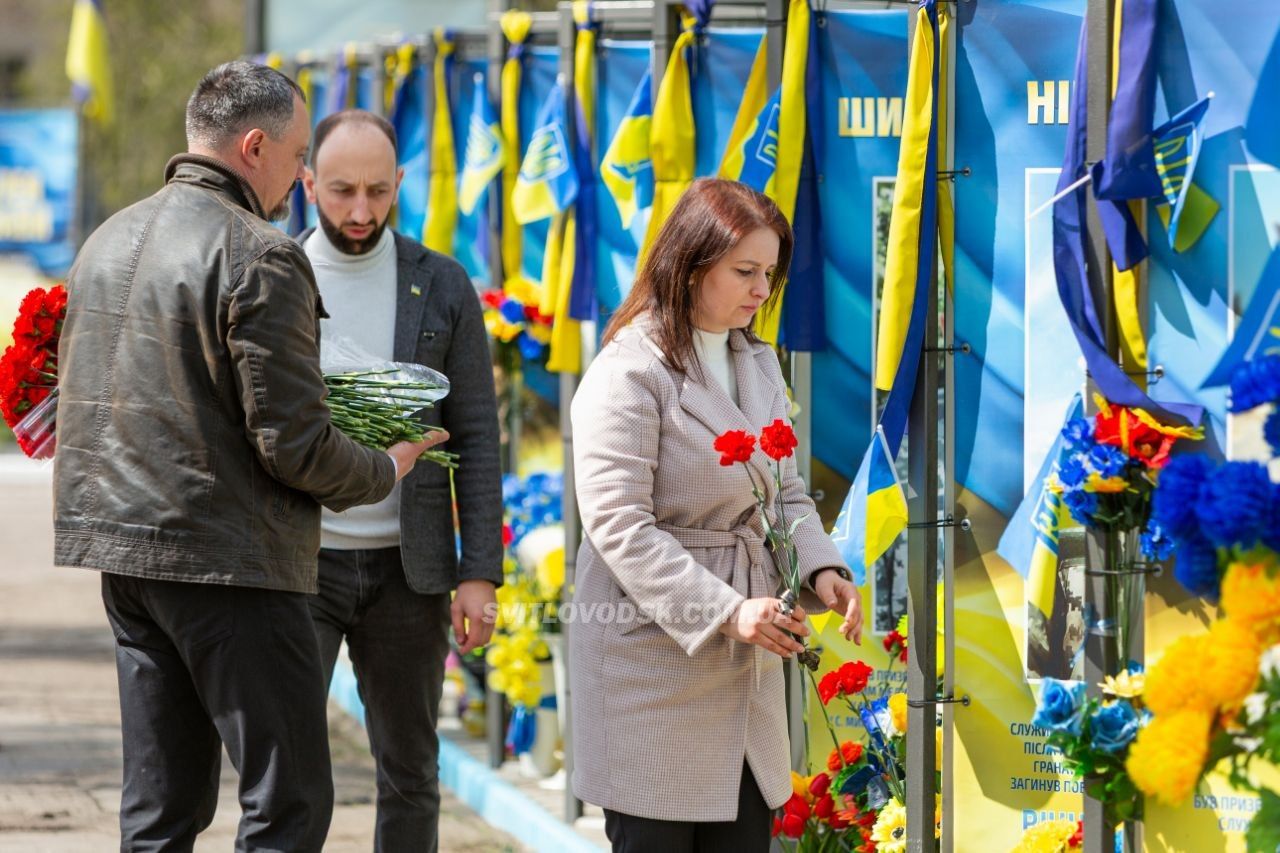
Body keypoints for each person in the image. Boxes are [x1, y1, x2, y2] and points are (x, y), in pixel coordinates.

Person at [53, 61, 443, 852]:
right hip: (229, 563)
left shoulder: (107, 238)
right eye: (298, 158)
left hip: (124, 556)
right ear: (255, 146)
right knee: (288, 800)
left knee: (160, 804)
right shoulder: (260, 253)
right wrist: (385, 468)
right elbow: (293, 443)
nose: (301, 179)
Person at [568, 178, 865, 852]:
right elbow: (617, 525)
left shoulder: (757, 362)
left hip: (745, 659)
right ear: (691, 263)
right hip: (650, 658)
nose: (761, 290)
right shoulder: (628, 370)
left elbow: (786, 493)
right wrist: (728, 610)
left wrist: (822, 569)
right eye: (744, 271)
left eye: (769, 273)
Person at [297, 109, 502, 852]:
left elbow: (476, 435)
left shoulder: (441, 283)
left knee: (412, 770)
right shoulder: (273, 274)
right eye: (342, 191)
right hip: (300, 561)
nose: (361, 210)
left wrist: (479, 572)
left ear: (401, 182)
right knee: (288, 770)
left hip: (409, 570)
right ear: (307, 182)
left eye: (379, 191)